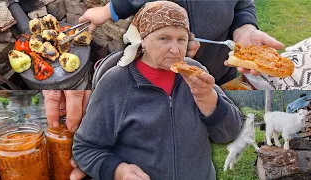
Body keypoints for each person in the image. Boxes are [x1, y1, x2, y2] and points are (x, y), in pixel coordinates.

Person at [72, 2, 243, 180]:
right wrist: (119, 171)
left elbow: (228, 133)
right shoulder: (116, 83)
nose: (175, 49)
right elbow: (85, 148)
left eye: (181, 39)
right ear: (143, 39)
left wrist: (208, 99)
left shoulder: (195, 73)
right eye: (164, 38)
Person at [79, 0, 284, 86]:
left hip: (221, 75)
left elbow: (243, 6)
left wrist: (245, 28)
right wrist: (108, 11)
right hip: (167, 82)